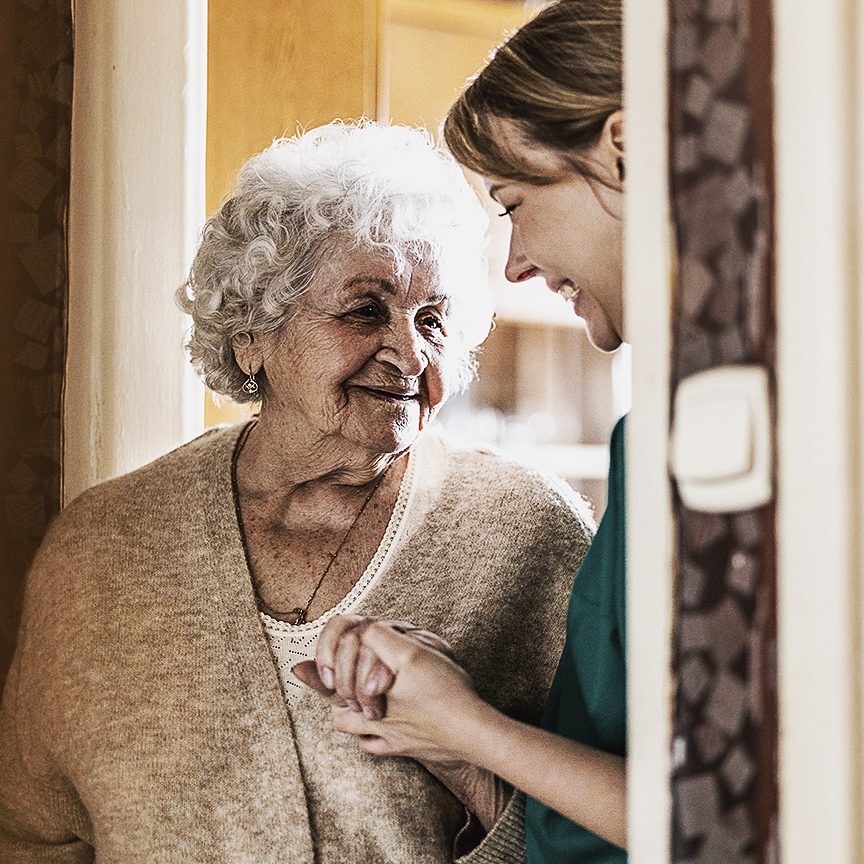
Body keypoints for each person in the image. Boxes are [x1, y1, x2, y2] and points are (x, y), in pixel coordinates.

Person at [0, 121, 599, 863]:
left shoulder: (526, 531)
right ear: (253, 334)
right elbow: (31, 835)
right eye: (365, 310)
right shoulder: (104, 547)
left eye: (433, 319)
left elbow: (609, 834)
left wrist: (470, 766)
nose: (409, 352)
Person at [292, 3, 633, 862]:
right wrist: (454, 735)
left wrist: (470, 729)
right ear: (250, 335)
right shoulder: (651, 444)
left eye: (514, 203)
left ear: (625, 151)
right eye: (362, 309)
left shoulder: (694, 453)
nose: (513, 262)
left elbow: (728, 810)